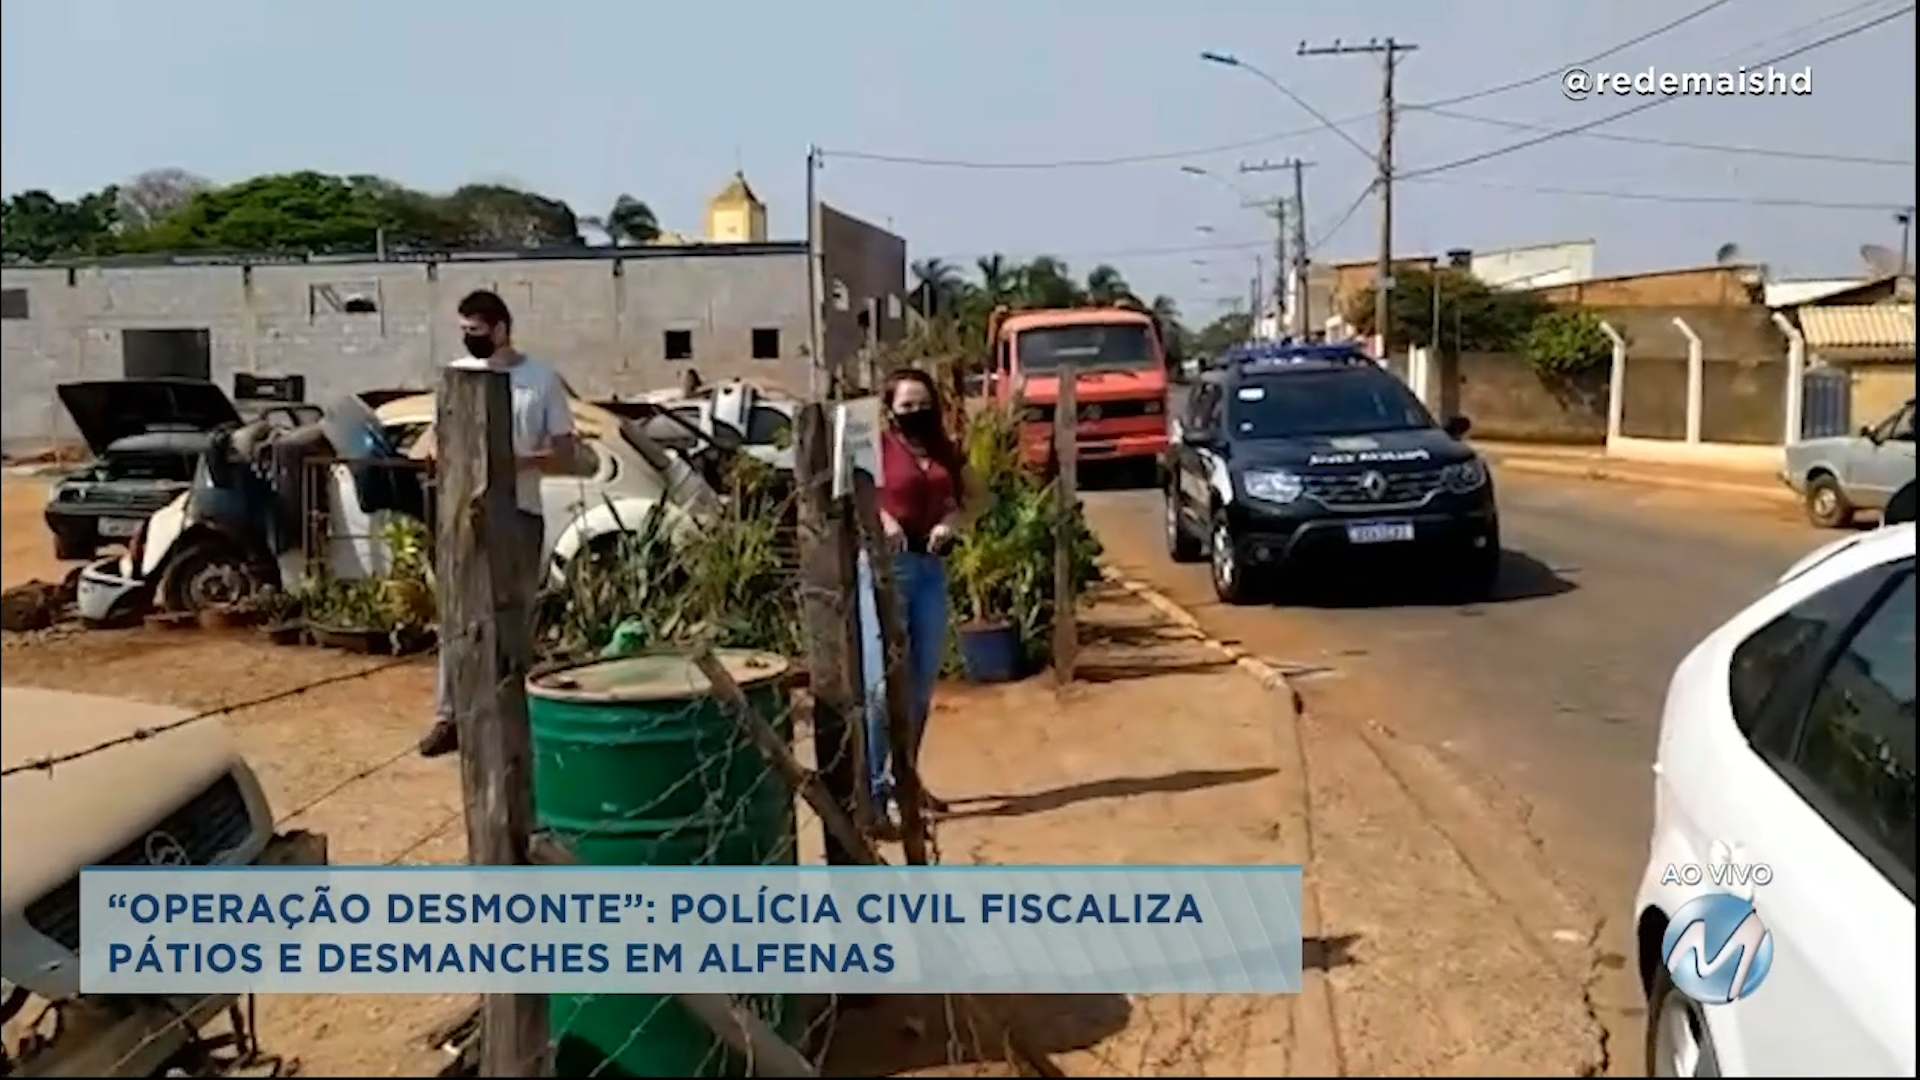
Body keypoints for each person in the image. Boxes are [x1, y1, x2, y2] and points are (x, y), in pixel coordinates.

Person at [417, 290, 578, 758]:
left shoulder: (540, 379)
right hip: (464, 517)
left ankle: (513, 716)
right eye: (465, 332)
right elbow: (431, 441)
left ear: (502, 328)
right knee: (458, 617)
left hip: (520, 513)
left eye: (478, 332)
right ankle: (450, 716)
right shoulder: (457, 376)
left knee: (514, 614)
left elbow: (565, 450)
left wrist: (511, 461)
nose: (471, 340)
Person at [858, 369, 987, 838]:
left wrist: (952, 520)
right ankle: (868, 797)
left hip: (930, 569)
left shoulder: (944, 450)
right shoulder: (875, 448)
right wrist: (883, 518)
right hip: (886, 570)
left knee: (920, 684)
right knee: (878, 688)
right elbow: (857, 494)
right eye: (906, 405)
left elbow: (972, 498)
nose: (915, 412)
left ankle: (903, 781)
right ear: (890, 408)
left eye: (922, 403)